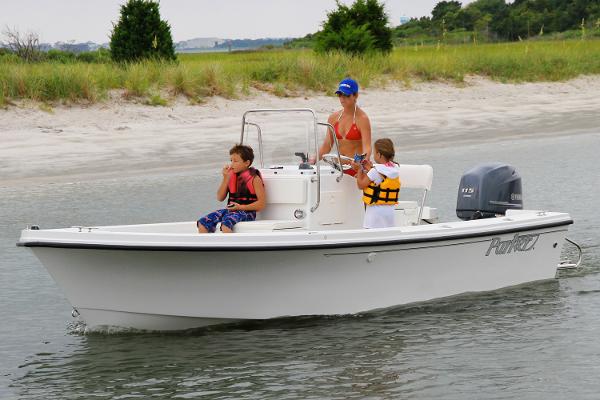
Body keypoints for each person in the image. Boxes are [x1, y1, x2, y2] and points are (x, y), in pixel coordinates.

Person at [197, 144, 266, 233]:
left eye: (235, 161)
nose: (231, 164)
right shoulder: (230, 176)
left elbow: (261, 204)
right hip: (230, 211)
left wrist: (240, 207)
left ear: (247, 163)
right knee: (202, 223)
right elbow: (220, 197)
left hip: (248, 213)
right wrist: (225, 178)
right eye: (231, 160)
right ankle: (207, 246)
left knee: (226, 224)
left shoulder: (255, 179)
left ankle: (231, 246)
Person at [315, 78, 372, 176]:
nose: (342, 98)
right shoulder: (333, 118)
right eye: (340, 95)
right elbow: (327, 146)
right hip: (338, 167)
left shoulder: (363, 119)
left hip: (356, 170)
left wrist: (362, 163)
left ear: (356, 95)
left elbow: (367, 148)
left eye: (346, 95)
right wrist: (313, 159)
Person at [354, 138, 400, 229]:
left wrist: (359, 169)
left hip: (374, 216)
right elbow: (380, 177)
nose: (373, 156)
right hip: (389, 215)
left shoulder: (375, 172)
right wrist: (370, 168)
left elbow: (360, 185)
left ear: (379, 155)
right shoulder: (395, 168)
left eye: (374, 153)